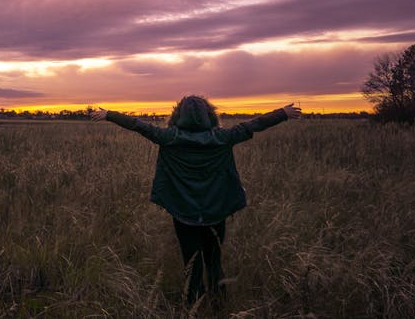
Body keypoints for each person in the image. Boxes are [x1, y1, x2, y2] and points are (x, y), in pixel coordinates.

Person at [89, 97, 301, 308]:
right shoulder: (223, 137)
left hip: (184, 214)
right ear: (209, 115)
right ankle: (219, 305)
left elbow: (138, 126)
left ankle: (194, 307)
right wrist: (283, 113)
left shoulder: (169, 137)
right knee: (214, 260)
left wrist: (109, 114)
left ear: (178, 115)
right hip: (216, 212)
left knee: (192, 264)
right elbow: (254, 125)